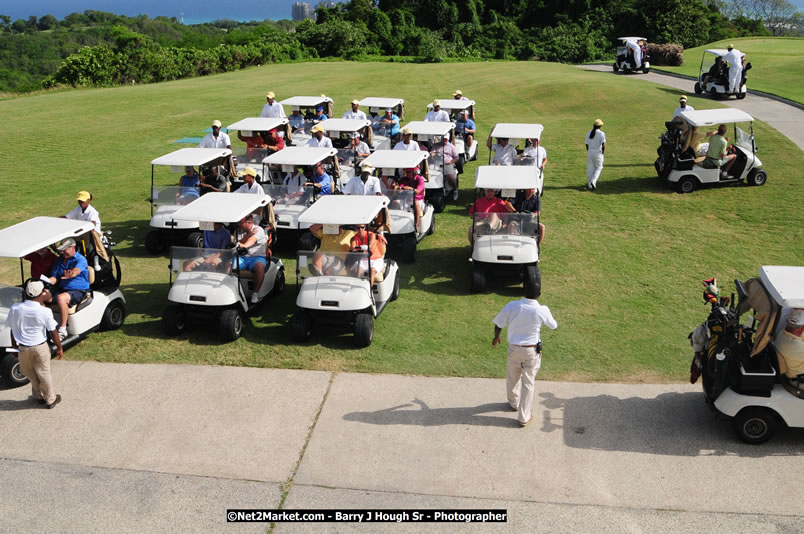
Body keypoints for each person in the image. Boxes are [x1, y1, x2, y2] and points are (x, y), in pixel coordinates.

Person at [492, 281, 558, 427]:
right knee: (528, 383)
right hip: (531, 351)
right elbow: (554, 326)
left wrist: (496, 337)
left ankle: (513, 403)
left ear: (523, 292)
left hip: (514, 349)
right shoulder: (542, 310)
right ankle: (524, 416)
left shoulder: (512, 305)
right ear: (539, 294)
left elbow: (499, 324)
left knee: (512, 377)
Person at [6, 280, 64, 408]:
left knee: (30, 373)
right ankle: (50, 399)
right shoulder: (45, 311)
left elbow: (12, 328)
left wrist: (14, 346)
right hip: (40, 348)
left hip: (22, 348)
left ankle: (38, 395)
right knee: (44, 373)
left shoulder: (15, 308)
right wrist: (59, 347)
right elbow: (53, 332)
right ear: (40, 294)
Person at [46, 238, 90, 339]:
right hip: (62, 289)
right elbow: (55, 277)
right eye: (61, 250)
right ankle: (45, 326)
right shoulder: (59, 260)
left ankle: (62, 329)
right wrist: (47, 281)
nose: (62, 252)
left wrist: (72, 274)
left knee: (61, 298)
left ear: (72, 247)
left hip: (78, 291)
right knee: (40, 296)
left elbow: (76, 271)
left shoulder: (80, 259)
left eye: (64, 249)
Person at [234, 215, 269, 304]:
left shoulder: (258, 229)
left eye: (241, 223)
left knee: (259, 268)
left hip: (257, 257)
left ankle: (255, 294)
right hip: (242, 257)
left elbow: (252, 240)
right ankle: (233, 290)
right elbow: (237, 242)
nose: (239, 224)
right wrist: (248, 235)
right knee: (228, 266)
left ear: (249, 222)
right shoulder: (238, 230)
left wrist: (245, 245)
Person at [432, 135, 460, 200]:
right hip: (436, 163)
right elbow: (432, 152)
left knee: (450, 176)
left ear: (448, 139)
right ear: (441, 138)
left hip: (447, 164)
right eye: (443, 139)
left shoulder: (451, 147)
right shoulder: (436, 145)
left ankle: (455, 190)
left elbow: (457, 158)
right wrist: (432, 154)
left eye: (446, 139)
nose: (444, 140)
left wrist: (451, 162)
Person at [585, 119, 606, 191]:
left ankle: (589, 184)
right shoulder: (601, 134)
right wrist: (602, 153)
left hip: (590, 152)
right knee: (599, 167)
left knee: (590, 168)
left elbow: (586, 144)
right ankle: (593, 181)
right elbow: (603, 145)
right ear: (600, 126)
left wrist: (589, 151)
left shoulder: (589, 132)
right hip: (598, 152)